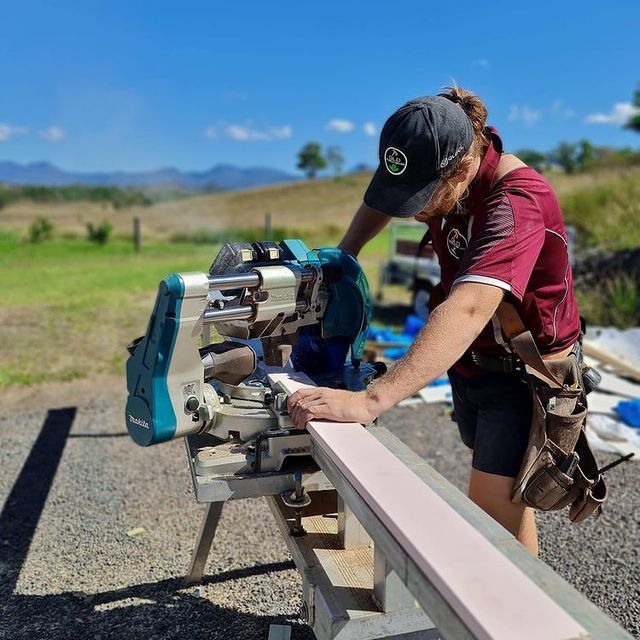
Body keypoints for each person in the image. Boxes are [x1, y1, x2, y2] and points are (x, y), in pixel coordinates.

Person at [287, 87, 582, 555]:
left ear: (462, 168)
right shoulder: (445, 158)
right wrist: (344, 255)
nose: (413, 210)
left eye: (420, 198)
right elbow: (383, 200)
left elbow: (468, 307)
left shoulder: (517, 201)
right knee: (506, 505)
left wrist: (370, 401)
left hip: (523, 375)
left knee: (489, 525)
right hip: (474, 363)